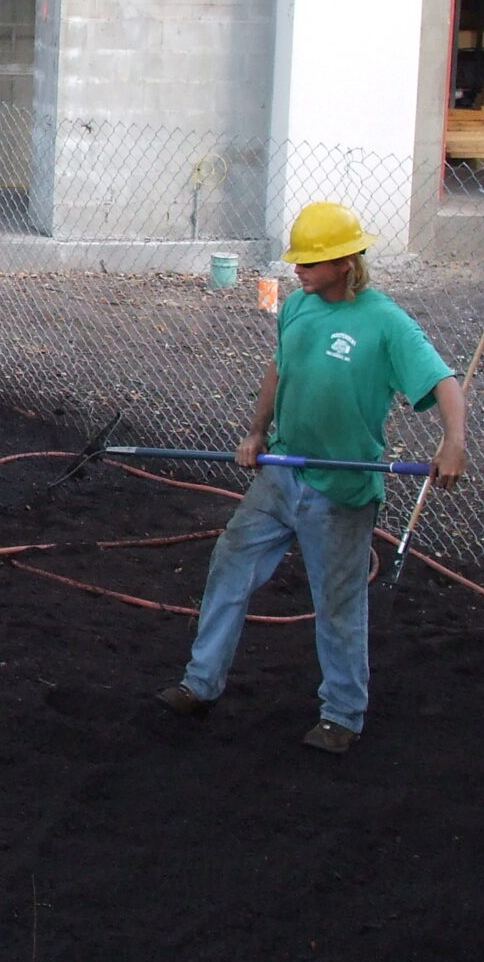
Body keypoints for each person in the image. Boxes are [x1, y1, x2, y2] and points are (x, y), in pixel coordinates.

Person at [155, 202, 464, 754]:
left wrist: (454, 443)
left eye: (311, 262)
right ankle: (199, 685)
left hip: (341, 488)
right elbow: (279, 368)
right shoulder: (296, 308)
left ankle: (342, 715)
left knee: (339, 602)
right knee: (230, 564)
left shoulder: (385, 322)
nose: (297, 269)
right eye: (298, 260)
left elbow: (444, 382)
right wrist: (255, 433)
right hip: (282, 470)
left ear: (346, 262)